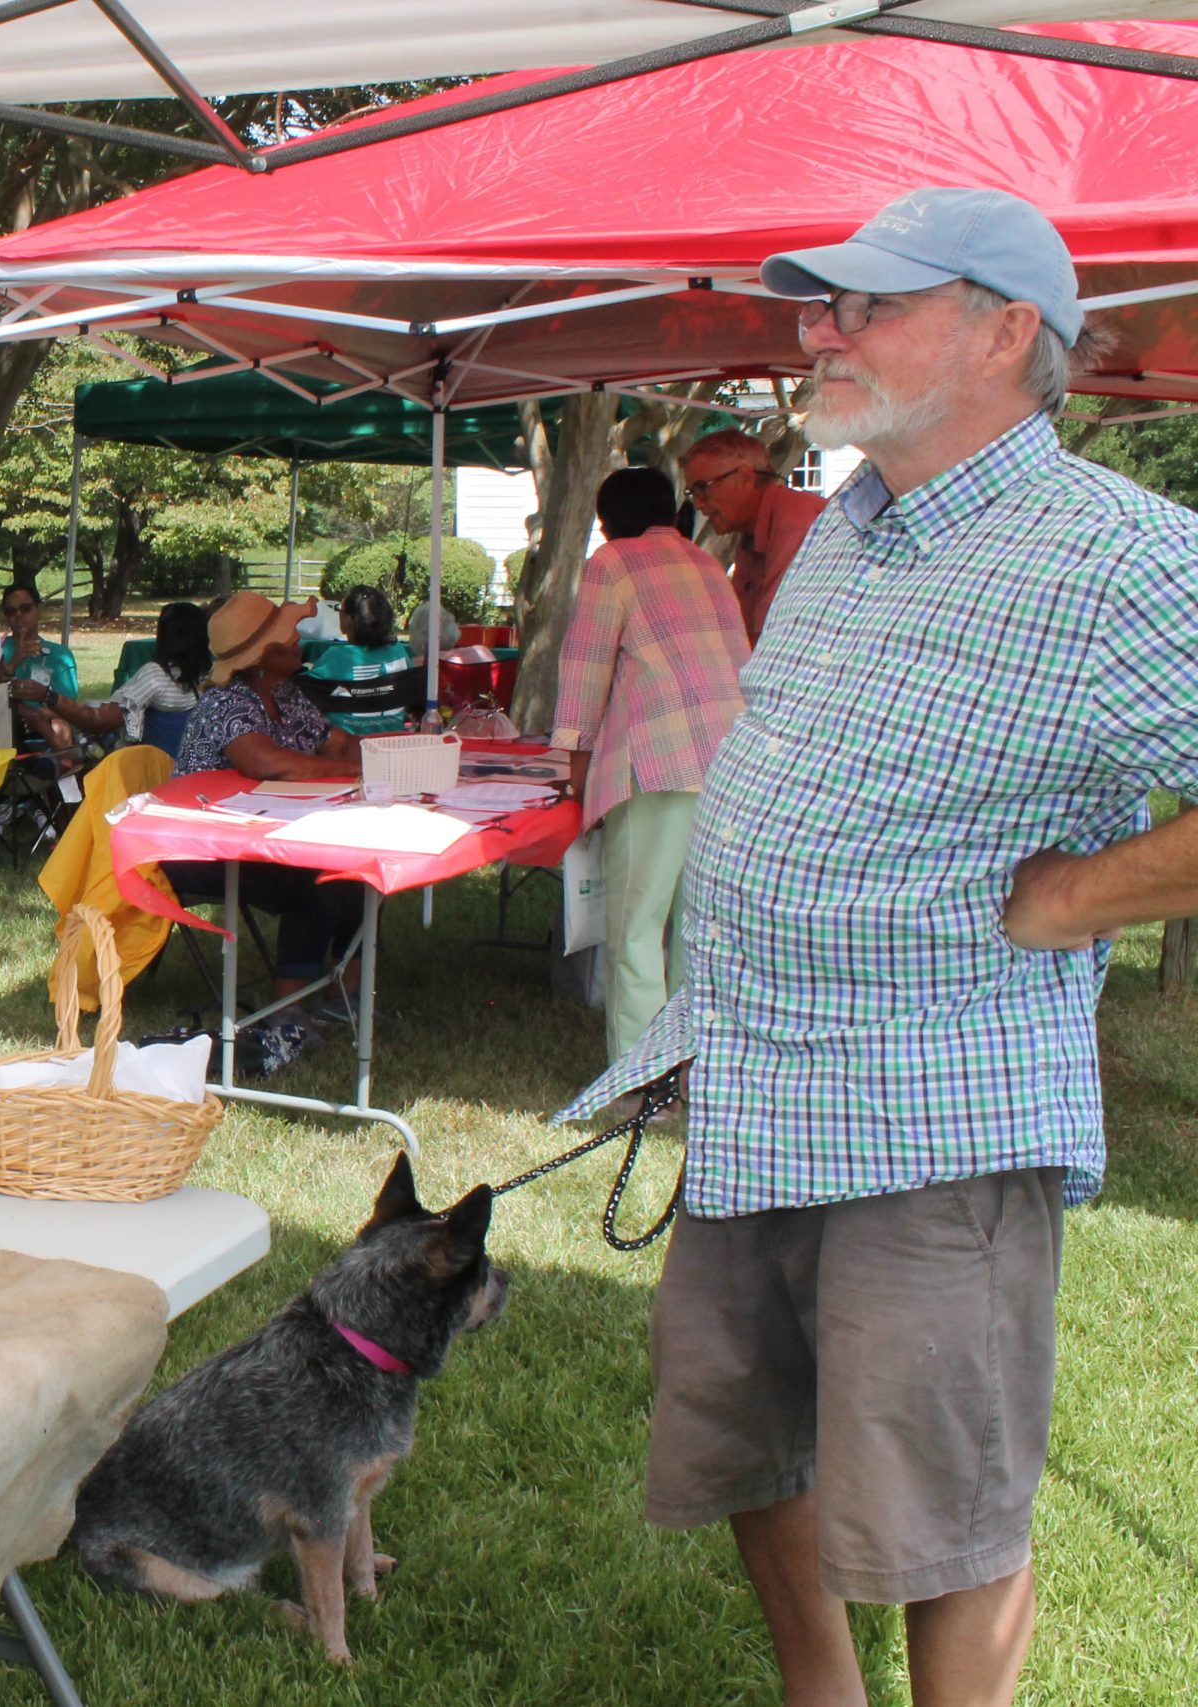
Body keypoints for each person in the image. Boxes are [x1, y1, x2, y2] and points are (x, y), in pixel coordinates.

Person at [566, 187, 1198, 1707]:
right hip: (756, 1070)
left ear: (1004, 332)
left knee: (940, 1501)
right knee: (747, 1429)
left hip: (938, 1110)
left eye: (869, 303)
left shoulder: (1122, 556)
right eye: (822, 303)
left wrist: (1079, 898)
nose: (821, 331)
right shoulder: (849, 525)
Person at [548, 466, 750, 1059]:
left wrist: (574, 774)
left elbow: (585, 672)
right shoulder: (708, 562)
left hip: (658, 761)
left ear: (607, 521)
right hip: (730, 762)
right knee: (698, 929)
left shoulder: (612, 564)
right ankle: (696, 1067)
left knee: (636, 928)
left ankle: (639, 1078)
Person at [163, 591, 366, 1000]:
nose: (297, 640)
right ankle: (288, 1010)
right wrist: (355, 771)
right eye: (285, 636)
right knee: (317, 883)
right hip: (200, 848)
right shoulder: (226, 702)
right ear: (259, 656)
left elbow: (339, 743)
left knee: (360, 871)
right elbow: (267, 763)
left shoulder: (285, 694)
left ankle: (349, 995)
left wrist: (374, 756)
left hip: (257, 838)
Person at [680, 426, 827, 644]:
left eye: (703, 488)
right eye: (693, 493)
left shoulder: (796, 518)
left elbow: (776, 632)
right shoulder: (751, 533)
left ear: (746, 476)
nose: (699, 504)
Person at [19, 600, 208, 747]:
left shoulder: (155, 676)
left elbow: (96, 720)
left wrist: (47, 695)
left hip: (156, 775)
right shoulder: (212, 677)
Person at [302, 585, 422, 735]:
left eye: (340, 610)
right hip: (391, 743)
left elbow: (301, 693)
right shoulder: (399, 652)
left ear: (350, 619)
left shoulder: (337, 658)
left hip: (347, 747)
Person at [0, 581, 83, 751]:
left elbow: (71, 709)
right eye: (11, 611)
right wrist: (13, 662)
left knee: (61, 727)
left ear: (38, 609)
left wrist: (42, 715)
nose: (18, 615)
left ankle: (64, 775)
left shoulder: (59, 656)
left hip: (43, 728)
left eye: (25, 608)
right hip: (0, 725)